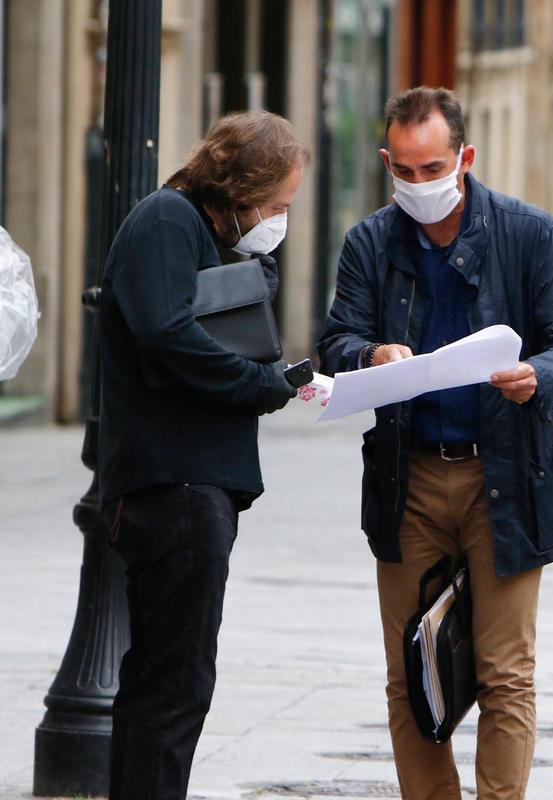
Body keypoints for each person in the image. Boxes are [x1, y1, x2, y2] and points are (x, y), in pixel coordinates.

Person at [317, 87, 553, 800]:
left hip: (506, 474)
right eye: (404, 171)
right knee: (410, 670)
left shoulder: (530, 235)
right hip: (407, 477)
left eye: (433, 167)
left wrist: (539, 375)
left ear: (466, 158)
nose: (419, 184)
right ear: (387, 161)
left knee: (505, 670)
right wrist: (369, 355)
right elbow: (335, 339)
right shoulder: (369, 243)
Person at [98, 111, 309, 800]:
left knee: (165, 680)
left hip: (192, 484)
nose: (281, 219)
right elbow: (167, 333)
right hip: (174, 486)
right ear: (241, 188)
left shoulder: (210, 234)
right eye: (277, 205)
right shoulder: (167, 220)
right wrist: (259, 386)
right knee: (175, 685)